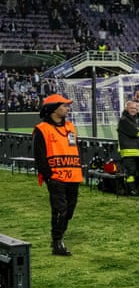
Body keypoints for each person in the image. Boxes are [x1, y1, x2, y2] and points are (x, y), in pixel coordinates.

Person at [32, 93, 83, 256]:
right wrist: (49, 176)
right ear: (53, 109)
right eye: (64, 106)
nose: (67, 108)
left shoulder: (70, 127)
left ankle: (58, 236)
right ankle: (57, 241)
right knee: (60, 210)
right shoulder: (42, 129)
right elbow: (39, 155)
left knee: (69, 210)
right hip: (56, 177)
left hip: (73, 175)